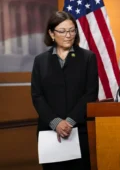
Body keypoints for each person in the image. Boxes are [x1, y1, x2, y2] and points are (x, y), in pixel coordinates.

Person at [31, 11, 98, 169]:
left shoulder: (88, 58)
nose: (68, 35)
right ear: (51, 33)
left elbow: (90, 93)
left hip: (77, 131)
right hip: (49, 131)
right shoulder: (40, 61)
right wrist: (56, 123)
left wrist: (69, 122)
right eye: (62, 31)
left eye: (72, 30)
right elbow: (37, 95)